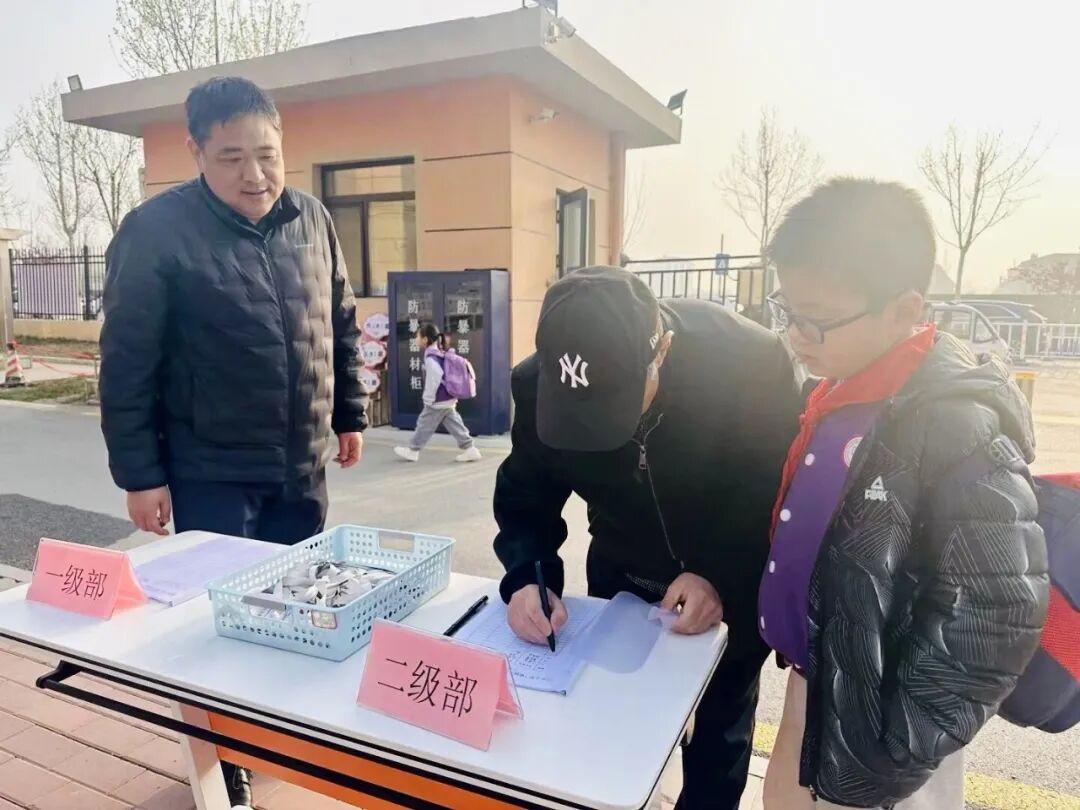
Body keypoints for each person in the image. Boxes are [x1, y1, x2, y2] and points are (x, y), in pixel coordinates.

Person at [99, 76, 367, 807]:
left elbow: (339, 320)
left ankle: (272, 730)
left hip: (300, 465)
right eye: (231, 158)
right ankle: (226, 763)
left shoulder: (312, 218)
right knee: (221, 620)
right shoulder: (156, 232)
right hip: (210, 469)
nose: (255, 175)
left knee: (295, 607)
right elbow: (126, 362)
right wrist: (140, 474)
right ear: (195, 151)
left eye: (267, 155)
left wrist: (349, 412)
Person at [758, 178, 1049, 809]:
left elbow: (998, 610)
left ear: (903, 310)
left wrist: (896, 749)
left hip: (883, 727)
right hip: (822, 682)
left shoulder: (955, 425)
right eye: (786, 310)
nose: (795, 336)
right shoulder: (841, 390)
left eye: (817, 320)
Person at [493, 265, 801, 809]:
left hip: (728, 573)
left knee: (718, 733)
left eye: (612, 406)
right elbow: (526, 495)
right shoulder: (535, 384)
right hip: (622, 567)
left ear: (662, 350)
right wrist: (527, 577)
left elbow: (771, 489)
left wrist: (718, 574)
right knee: (613, 725)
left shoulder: (747, 364)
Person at [394, 323, 481, 463]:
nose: (416, 339)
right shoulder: (439, 353)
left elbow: (434, 377)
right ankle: (470, 449)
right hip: (448, 398)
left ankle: (413, 450)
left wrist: (428, 398)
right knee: (455, 424)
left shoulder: (431, 358)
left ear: (425, 339)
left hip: (438, 400)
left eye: (418, 336)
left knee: (424, 424)